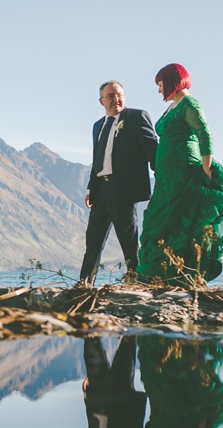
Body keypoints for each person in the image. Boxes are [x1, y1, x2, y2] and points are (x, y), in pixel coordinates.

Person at [136, 64, 223, 285]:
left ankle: (181, 275)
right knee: (155, 220)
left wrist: (206, 170)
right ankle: (157, 275)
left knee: (181, 222)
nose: (159, 90)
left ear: (172, 81)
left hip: (184, 175)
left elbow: (204, 134)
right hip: (166, 178)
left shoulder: (190, 103)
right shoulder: (173, 107)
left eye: (161, 84)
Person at [79, 81, 158, 286]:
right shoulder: (98, 125)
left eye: (119, 94)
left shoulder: (136, 117)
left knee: (128, 241)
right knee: (93, 241)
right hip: (101, 190)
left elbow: (152, 149)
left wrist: (163, 174)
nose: (116, 99)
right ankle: (85, 284)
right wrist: (91, 188)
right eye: (111, 96)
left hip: (124, 190)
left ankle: (135, 282)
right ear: (101, 101)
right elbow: (98, 159)